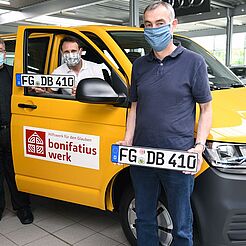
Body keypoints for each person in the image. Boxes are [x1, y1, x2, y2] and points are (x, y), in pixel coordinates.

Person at [117, 1, 212, 246]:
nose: (153, 29)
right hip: (142, 155)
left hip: (179, 157)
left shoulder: (194, 62)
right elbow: (134, 106)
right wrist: (128, 139)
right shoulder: (139, 66)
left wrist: (199, 146)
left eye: (160, 23)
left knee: (182, 225)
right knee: (144, 218)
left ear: (173, 25)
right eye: (148, 24)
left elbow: (206, 108)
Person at [0, 38, 34, 224]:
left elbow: (29, 89)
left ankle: (22, 208)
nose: (0, 53)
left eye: (2, 50)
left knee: (15, 171)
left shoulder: (13, 75)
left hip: (11, 130)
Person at [33, 36, 104, 95]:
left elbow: (102, 92)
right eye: (66, 52)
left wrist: (84, 93)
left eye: (73, 51)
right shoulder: (58, 72)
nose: (70, 55)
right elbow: (51, 94)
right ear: (62, 53)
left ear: (80, 51)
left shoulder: (95, 68)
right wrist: (42, 92)